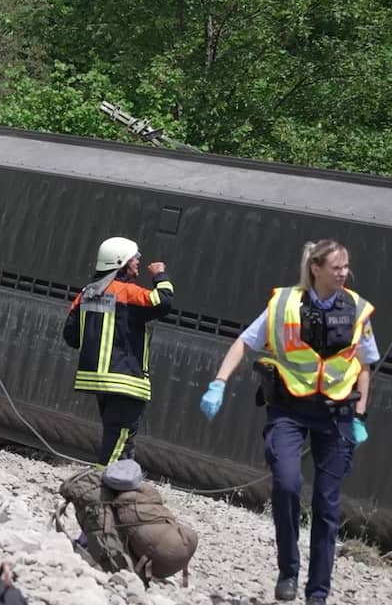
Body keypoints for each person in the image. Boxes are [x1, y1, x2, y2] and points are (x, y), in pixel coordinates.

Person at [199, 240, 377, 605]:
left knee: (327, 507)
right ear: (316, 268)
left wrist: (360, 415)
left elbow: (364, 365)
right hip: (289, 411)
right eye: (338, 267)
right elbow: (244, 342)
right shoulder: (283, 305)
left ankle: (318, 593)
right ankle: (288, 571)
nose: (345, 273)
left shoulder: (357, 310)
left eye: (347, 267)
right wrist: (218, 383)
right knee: (287, 483)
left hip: (336, 415)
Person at [62, 237, 173, 465]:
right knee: (119, 445)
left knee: (116, 439)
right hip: (125, 380)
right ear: (121, 262)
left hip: (99, 382)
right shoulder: (127, 292)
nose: (138, 262)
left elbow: (71, 336)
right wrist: (160, 276)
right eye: (134, 258)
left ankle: (115, 491)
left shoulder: (86, 293)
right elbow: (162, 302)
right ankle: (102, 489)